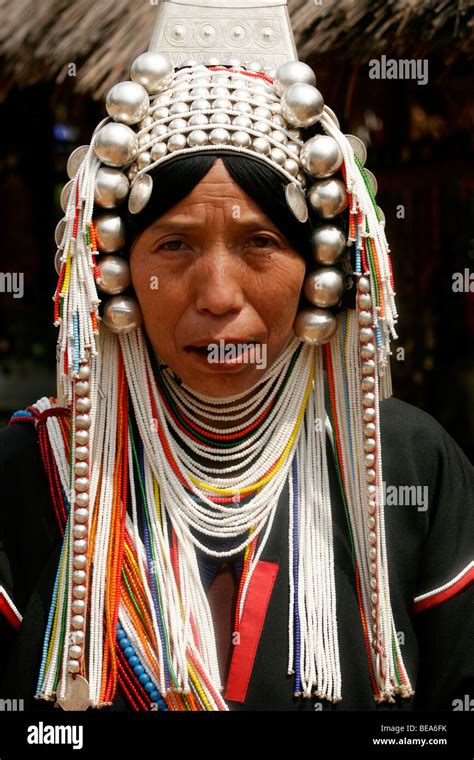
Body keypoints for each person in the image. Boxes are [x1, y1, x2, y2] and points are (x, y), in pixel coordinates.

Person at [0, 0, 473, 713]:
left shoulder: (404, 463)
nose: (219, 296)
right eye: (175, 246)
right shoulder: (33, 475)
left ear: (324, 268)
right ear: (115, 269)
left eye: (260, 244)